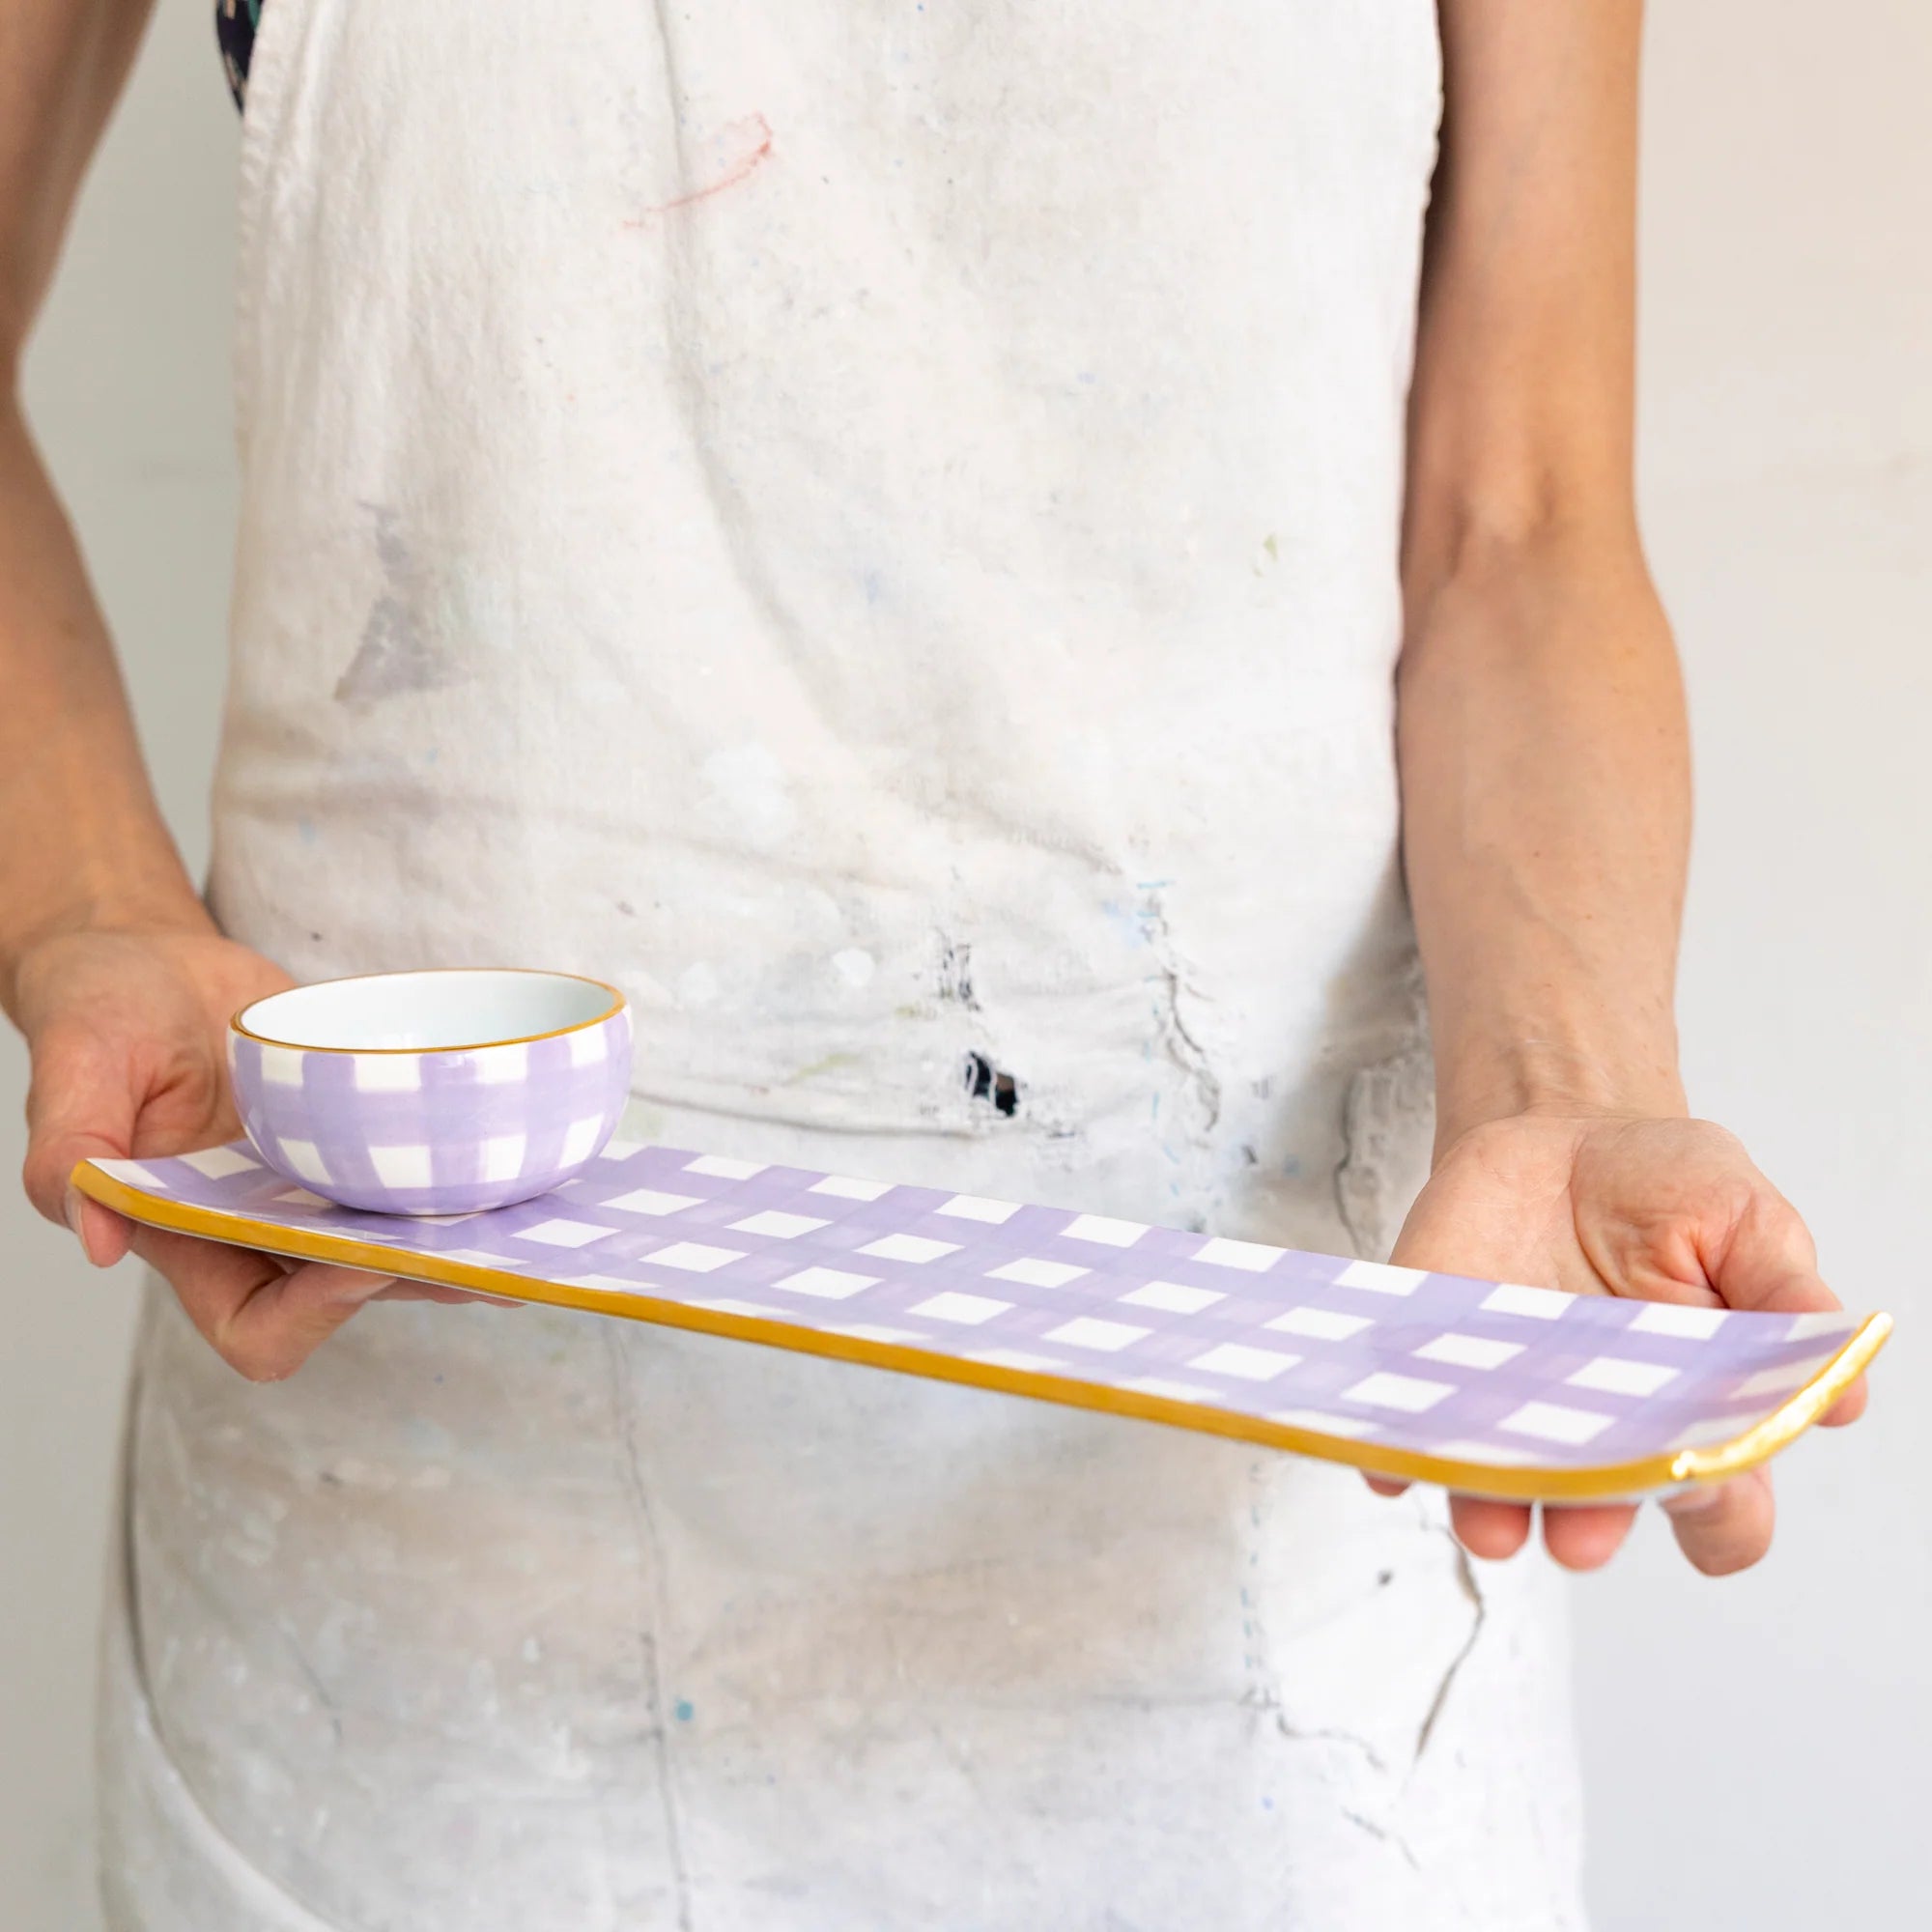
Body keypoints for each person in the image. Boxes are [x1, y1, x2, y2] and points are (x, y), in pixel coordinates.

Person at [0, 3, 1870, 1927]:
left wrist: (1559, 1082)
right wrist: (88, 911)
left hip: (1263, 1610)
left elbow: (1520, 516)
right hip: (404, 1627)